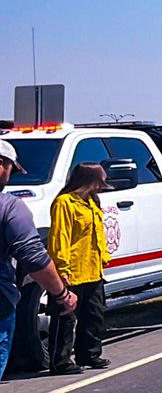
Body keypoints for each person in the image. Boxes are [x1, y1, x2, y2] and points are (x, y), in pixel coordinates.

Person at [0, 140, 77, 379]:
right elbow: (34, 258)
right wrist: (62, 294)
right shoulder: (10, 207)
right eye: (11, 169)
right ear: (2, 165)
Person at [47, 163, 112, 375]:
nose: (101, 187)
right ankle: (61, 361)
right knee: (66, 317)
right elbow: (60, 237)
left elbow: (97, 233)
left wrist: (104, 256)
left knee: (93, 314)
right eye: (99, 182)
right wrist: (62, 270)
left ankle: (89, 354)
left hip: (93, 269)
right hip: (72, 271)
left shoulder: (93, 201)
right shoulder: (64, 203)